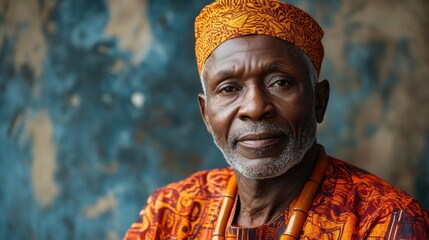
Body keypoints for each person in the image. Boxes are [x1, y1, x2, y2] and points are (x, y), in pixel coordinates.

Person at [124, 0, 429, 239]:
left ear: (319, 101)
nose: (255, 108)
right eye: (229, 88)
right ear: (206, 114)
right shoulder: (170, 212)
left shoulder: (386, 220)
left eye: (280, 82)